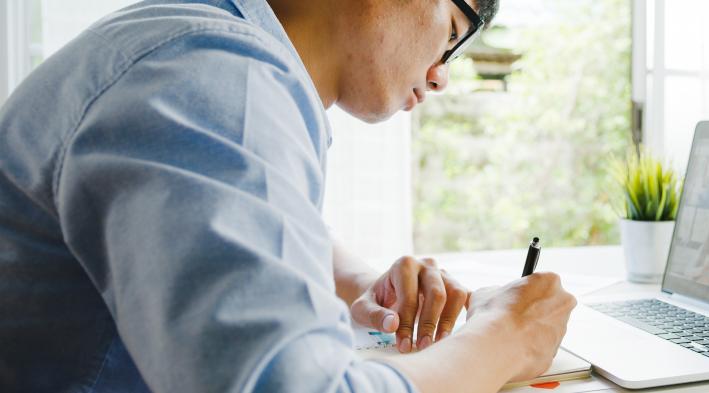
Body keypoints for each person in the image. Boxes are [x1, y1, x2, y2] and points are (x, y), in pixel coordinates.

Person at [0, 0, 578, 392]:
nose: (441, 75)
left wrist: (356, 280)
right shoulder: (213, 77)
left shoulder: (195, 44)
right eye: (453, 31)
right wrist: (503, 341)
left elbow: (216, 208)